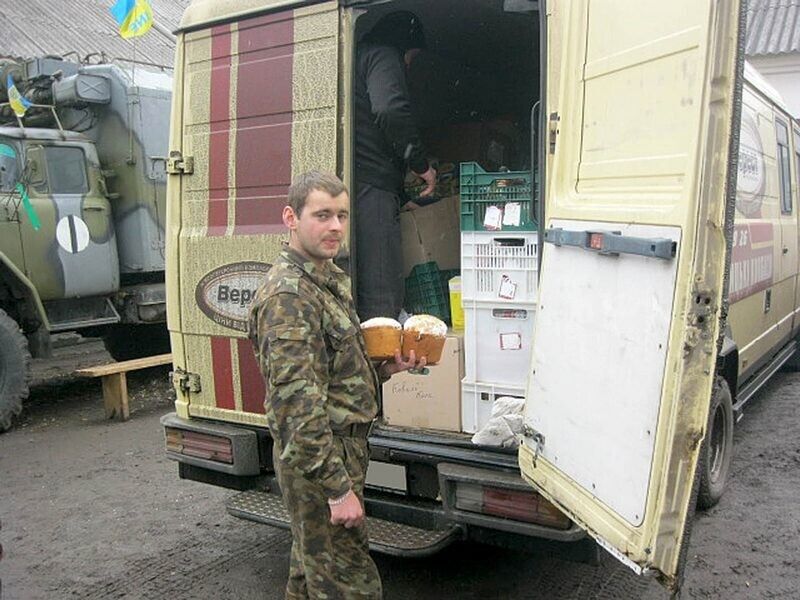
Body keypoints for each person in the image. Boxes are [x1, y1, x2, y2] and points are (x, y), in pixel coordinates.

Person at [248, 171, 425, 599]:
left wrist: (383, 369)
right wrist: (337, 489)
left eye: (342, 216)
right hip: (320, 460)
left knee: (310, 574)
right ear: (291, 218)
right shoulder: (289, 297)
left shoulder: (324, 279)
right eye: (322, 215)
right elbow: (296, 408)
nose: (335, 227)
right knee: (350, 584)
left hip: (338, 451)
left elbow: (329, 373)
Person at [355, 11, 437, 321]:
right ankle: (384, 338)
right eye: (410, 57)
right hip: (372, 187)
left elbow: (366, 135)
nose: (408, 65)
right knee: (381, 284)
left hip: (360, 182)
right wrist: (420, 164)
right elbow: (389, 110)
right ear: (403, 43)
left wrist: (402, 198)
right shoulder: (383, 54)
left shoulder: (355, 58)